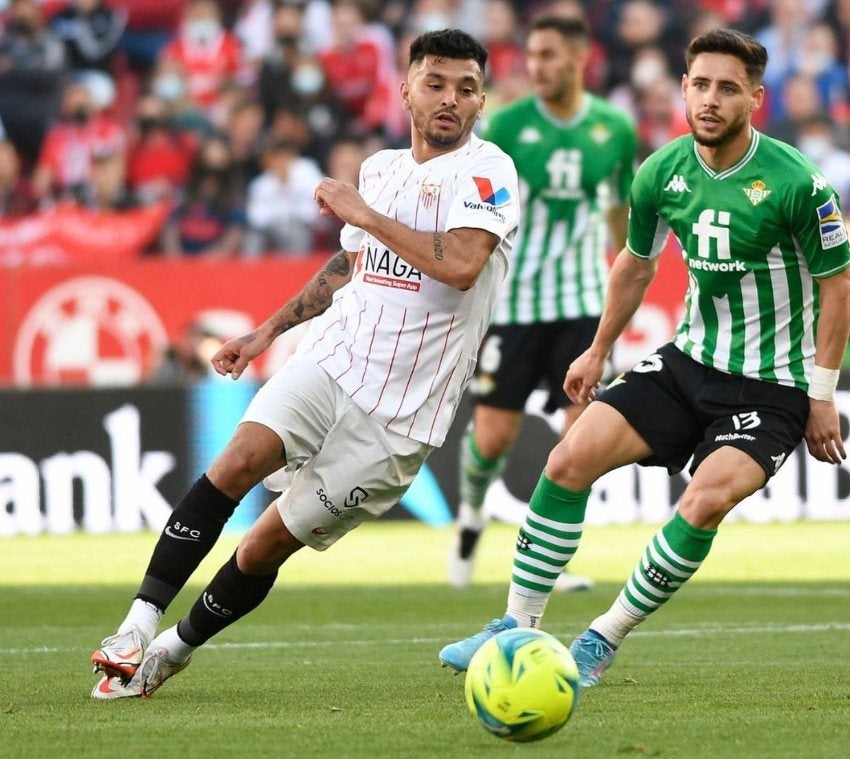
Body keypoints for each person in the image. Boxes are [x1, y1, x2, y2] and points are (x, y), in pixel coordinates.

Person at [89, 27, 519, 699]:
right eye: (434, 83)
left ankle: (173, 649)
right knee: (234, 464)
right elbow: (349, 265)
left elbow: (462, 265)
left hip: (400, 418)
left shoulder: (488, 171)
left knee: (264, 545)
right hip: (334, 360)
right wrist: (265, 332)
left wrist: (365, 214)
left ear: (481, 100)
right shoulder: (380, 168)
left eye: (465, 88)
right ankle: (135, 624)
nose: (449, 99)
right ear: (406, 90)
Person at [438, 27, 850, 687]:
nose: (711, 99)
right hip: (688, 361)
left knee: (705, 499)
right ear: (684, 89)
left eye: (728, 89)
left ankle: (604, 635)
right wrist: (599, 347)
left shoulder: (798, 181)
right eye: (701, 85)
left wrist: (822, 393)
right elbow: (635, 262)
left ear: (755, 100)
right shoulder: (663, 170)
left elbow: (839, 286)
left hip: (772, 386)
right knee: (568, 458)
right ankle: (516, 624)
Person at [446, 15, 637, 592]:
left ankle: (542, 562)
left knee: (580, 443)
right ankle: (471, 517)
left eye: (549, 55)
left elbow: (618, 215)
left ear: (578, 59)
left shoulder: (613, 128)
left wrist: (624, 264)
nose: (537, 66)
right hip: (513, 305)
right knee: (492, 440)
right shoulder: (506, 125)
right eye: (531, 55)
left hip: (581, 303)